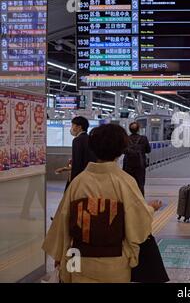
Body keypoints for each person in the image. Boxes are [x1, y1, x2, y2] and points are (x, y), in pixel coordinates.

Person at [42, 124, 164, 283]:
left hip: (78, 258)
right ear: (121, 149)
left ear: (92, 147)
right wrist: (151, 209)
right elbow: (139, 223)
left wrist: (60, 256)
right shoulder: (125, 182)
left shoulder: (78, 182)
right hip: (114, 262)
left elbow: (62, 221)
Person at [57, 116, 96, 190]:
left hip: (79, 177)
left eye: (72, 125)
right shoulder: (89, 138)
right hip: (89, 176)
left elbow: (77, 162)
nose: (71, 128)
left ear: (79, 127)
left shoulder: (77, 140)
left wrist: (73, 180)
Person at [123, 122, 151, 197]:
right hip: (140, 165)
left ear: (129, 130)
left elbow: (123, 151)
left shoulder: (126, 139)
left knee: (128, 184)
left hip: (128, 166)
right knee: (140, 184)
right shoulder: (143, 138)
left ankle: (129, 201)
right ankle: (141, 201)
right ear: (138, 129)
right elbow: (148, 150)